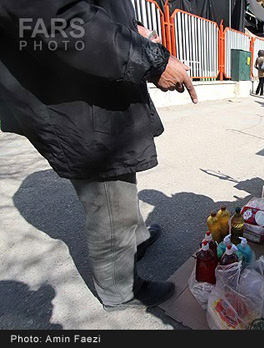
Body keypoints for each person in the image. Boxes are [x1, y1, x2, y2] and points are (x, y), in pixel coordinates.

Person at [0, 0, 198, 311]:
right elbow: (63, 22)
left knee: (122, 175)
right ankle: (119, 290)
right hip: (74, 96)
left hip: (95, 86)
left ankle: (134, 242)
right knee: (107, 188)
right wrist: (151, 60)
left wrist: (134, 30)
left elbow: (97, 9)